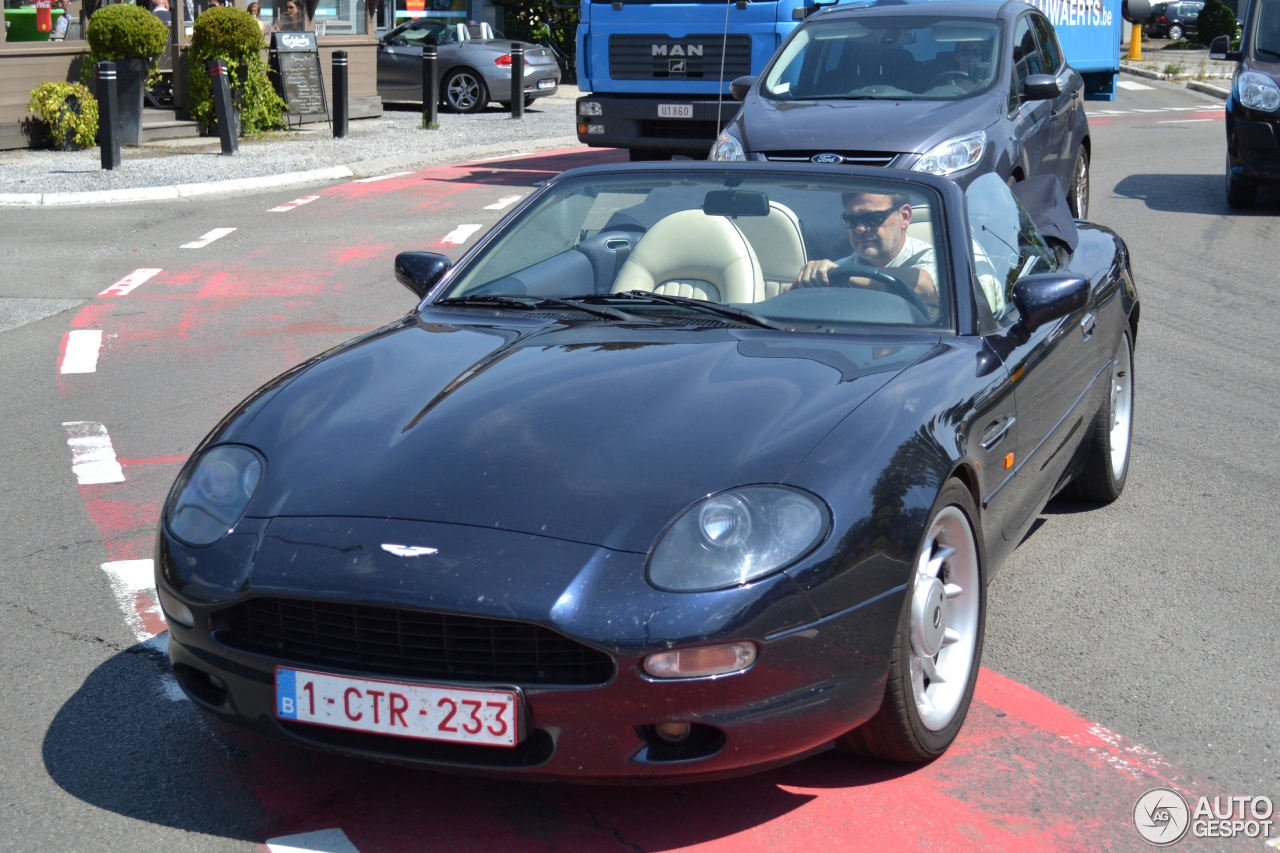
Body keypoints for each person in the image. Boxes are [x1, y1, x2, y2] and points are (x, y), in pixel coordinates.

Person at [791, 191, 938, 312]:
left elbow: (924, 286)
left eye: (873, 218)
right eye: (851, 220)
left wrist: (842, 278)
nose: (860, 228)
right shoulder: (837, 270)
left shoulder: (938, 260)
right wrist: (806, 287)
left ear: (904, 217)